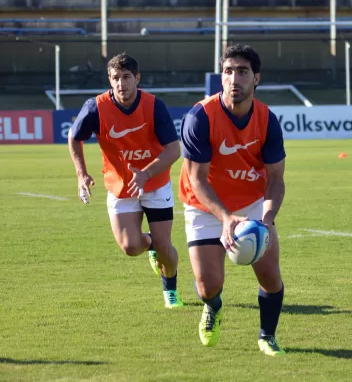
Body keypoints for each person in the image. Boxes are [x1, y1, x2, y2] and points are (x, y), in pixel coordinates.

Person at [179, 44, 286, 356]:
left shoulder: (267, 120)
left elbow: (276, 178)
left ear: (256, 79)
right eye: (228, 71)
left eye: (242, 71)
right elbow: (197, 179)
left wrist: (266, 220)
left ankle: (267, 336)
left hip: (251, 201)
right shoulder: (200, 117)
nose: (234, 78)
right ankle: (213, 307)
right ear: (220, 77)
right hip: (205, 204)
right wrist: (225, 218)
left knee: (270, 276)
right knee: (208, 286)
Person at [68, 53, 183, 309]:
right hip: (120, 185)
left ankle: (171, 290)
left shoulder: (154, 106)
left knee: (166, 248)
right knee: (131, 247)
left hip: (155, 183)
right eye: (115, 78)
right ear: (110, 80)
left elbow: (173, 150)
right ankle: (150, 244)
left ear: (137, 78)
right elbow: (75, 138)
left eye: (126, 77)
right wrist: (81, 174)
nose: (121, 84)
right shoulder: (96, 107)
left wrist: (146, 174)